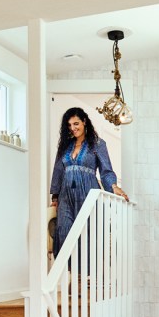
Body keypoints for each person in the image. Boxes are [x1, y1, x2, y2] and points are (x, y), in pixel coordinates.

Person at [49, 107, 129, 256]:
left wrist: (113, 186)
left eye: (76, 123)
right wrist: (55, 196)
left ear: (84, 122)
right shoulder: (65, 146)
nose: (73, 128)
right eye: (69, 125)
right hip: (66, 196)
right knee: (65, 230)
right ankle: (69, 272)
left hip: (88, 193)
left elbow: (106, 170)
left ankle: (86, 275)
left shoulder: (98, 144)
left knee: (87, 232)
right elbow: (58, 171)